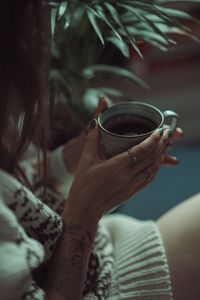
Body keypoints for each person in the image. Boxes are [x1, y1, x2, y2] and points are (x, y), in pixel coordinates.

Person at [0, 1, 199, 300]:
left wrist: (68, 160)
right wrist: (86, 214)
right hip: (103, 283)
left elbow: (16, 193)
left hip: (100, 249)